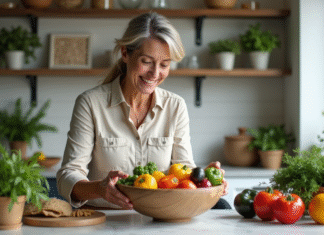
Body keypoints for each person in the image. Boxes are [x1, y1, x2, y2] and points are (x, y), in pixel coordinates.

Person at [56, 12, 228, 210]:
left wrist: (202, 178)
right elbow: (68, 176)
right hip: (104, 219)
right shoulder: (90, 103)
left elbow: (183, 172)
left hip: (159, 220)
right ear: (125, 54)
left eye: (164, 64)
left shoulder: (175, 106)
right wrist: (100, 189)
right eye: (146, 61)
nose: (155, 73)